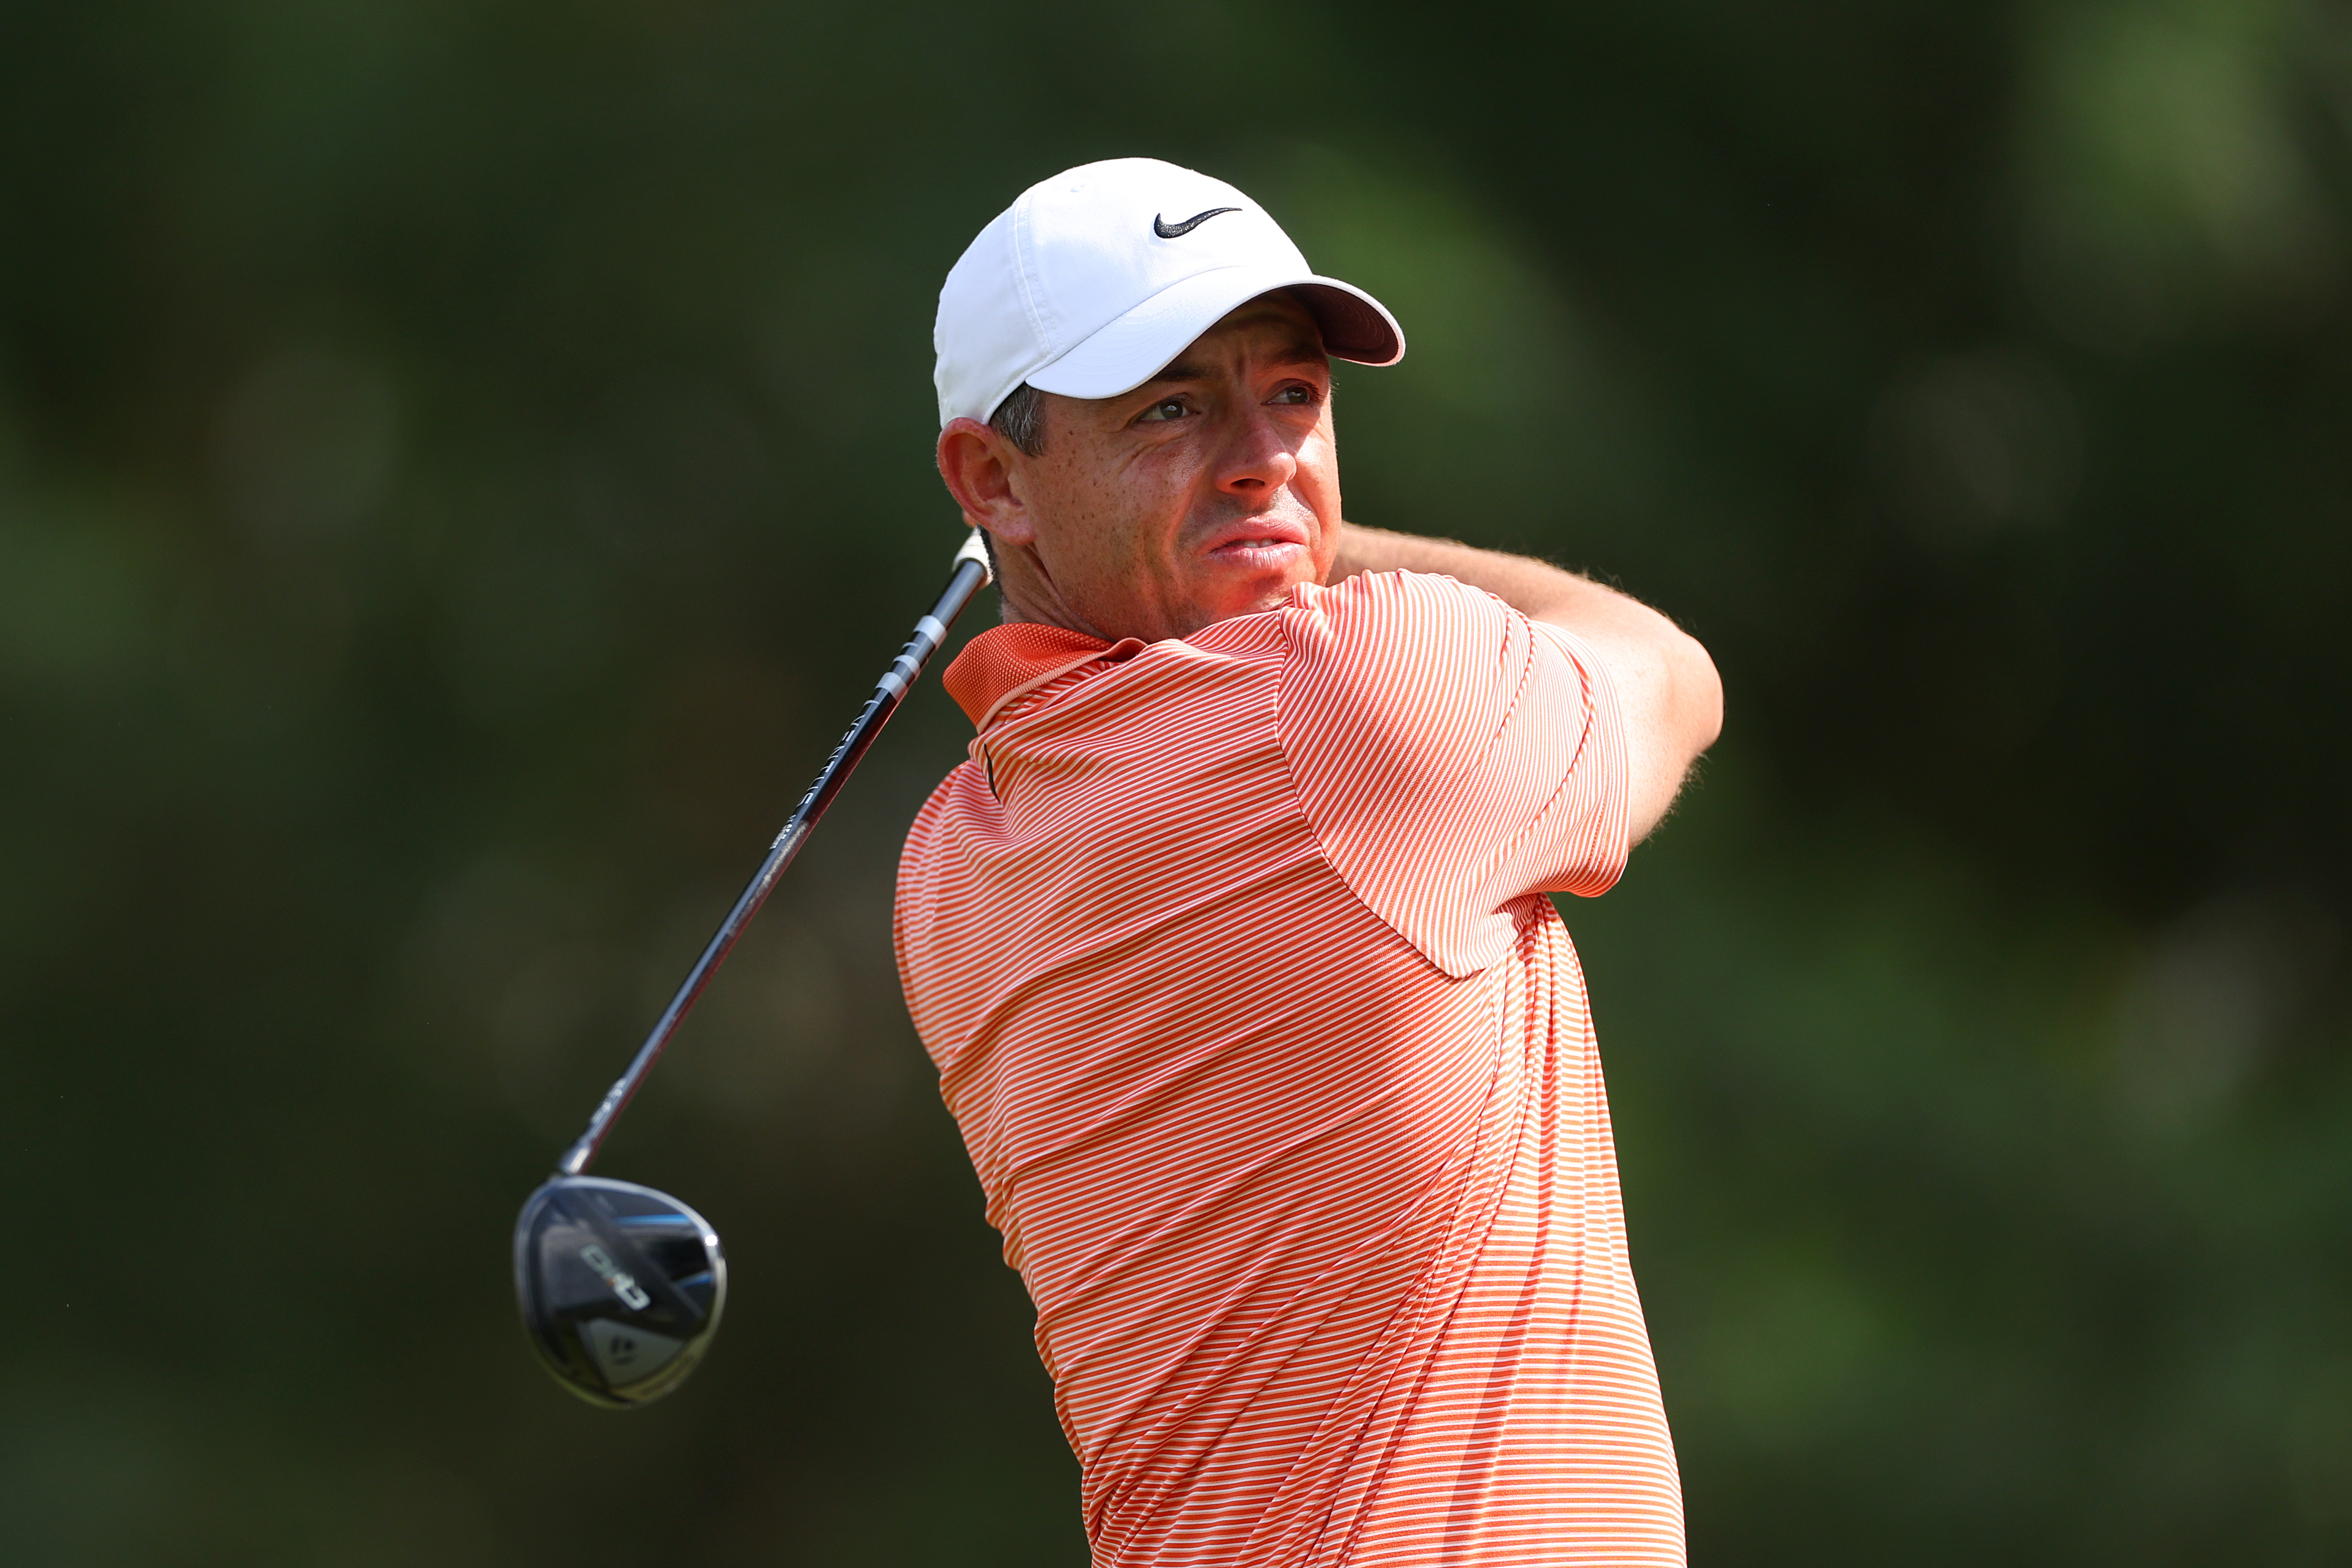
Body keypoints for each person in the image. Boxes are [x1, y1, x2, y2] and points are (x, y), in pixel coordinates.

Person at [894, 158, 1722, 1567]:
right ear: (991, 477)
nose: (1260, 454)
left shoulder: (948, 867)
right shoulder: (1347, 698)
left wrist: (1243, 527)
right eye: (1171, 408)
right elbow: (1669, 672)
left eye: (1293, 397)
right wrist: (1311, 542)